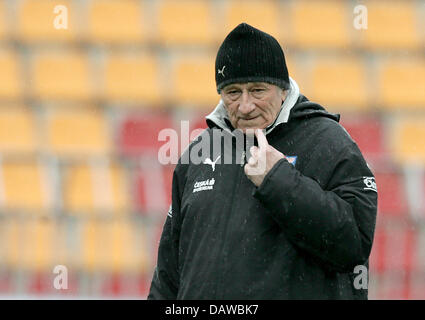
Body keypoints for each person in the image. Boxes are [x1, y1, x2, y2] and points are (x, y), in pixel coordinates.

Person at [148, 23, 378, 299]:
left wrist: (278, 180)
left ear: (283, 89)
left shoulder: (329, 142)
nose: (245, 106)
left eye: (257, 90)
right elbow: (168, 275)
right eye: (233, 92)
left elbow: (353, 244)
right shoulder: (200, 152)